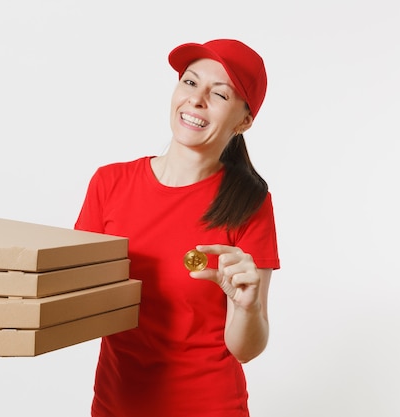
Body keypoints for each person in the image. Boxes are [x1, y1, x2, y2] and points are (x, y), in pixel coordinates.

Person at [74, 39, 280, 417]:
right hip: (117, 403)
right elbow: (79, 303)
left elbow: (246, 349)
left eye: (219, 94)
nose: (196, 100)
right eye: (189, 82)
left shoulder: (250, 203)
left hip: (209, 406)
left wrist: (246, 307)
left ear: (244, 120)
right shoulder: (109, 183)